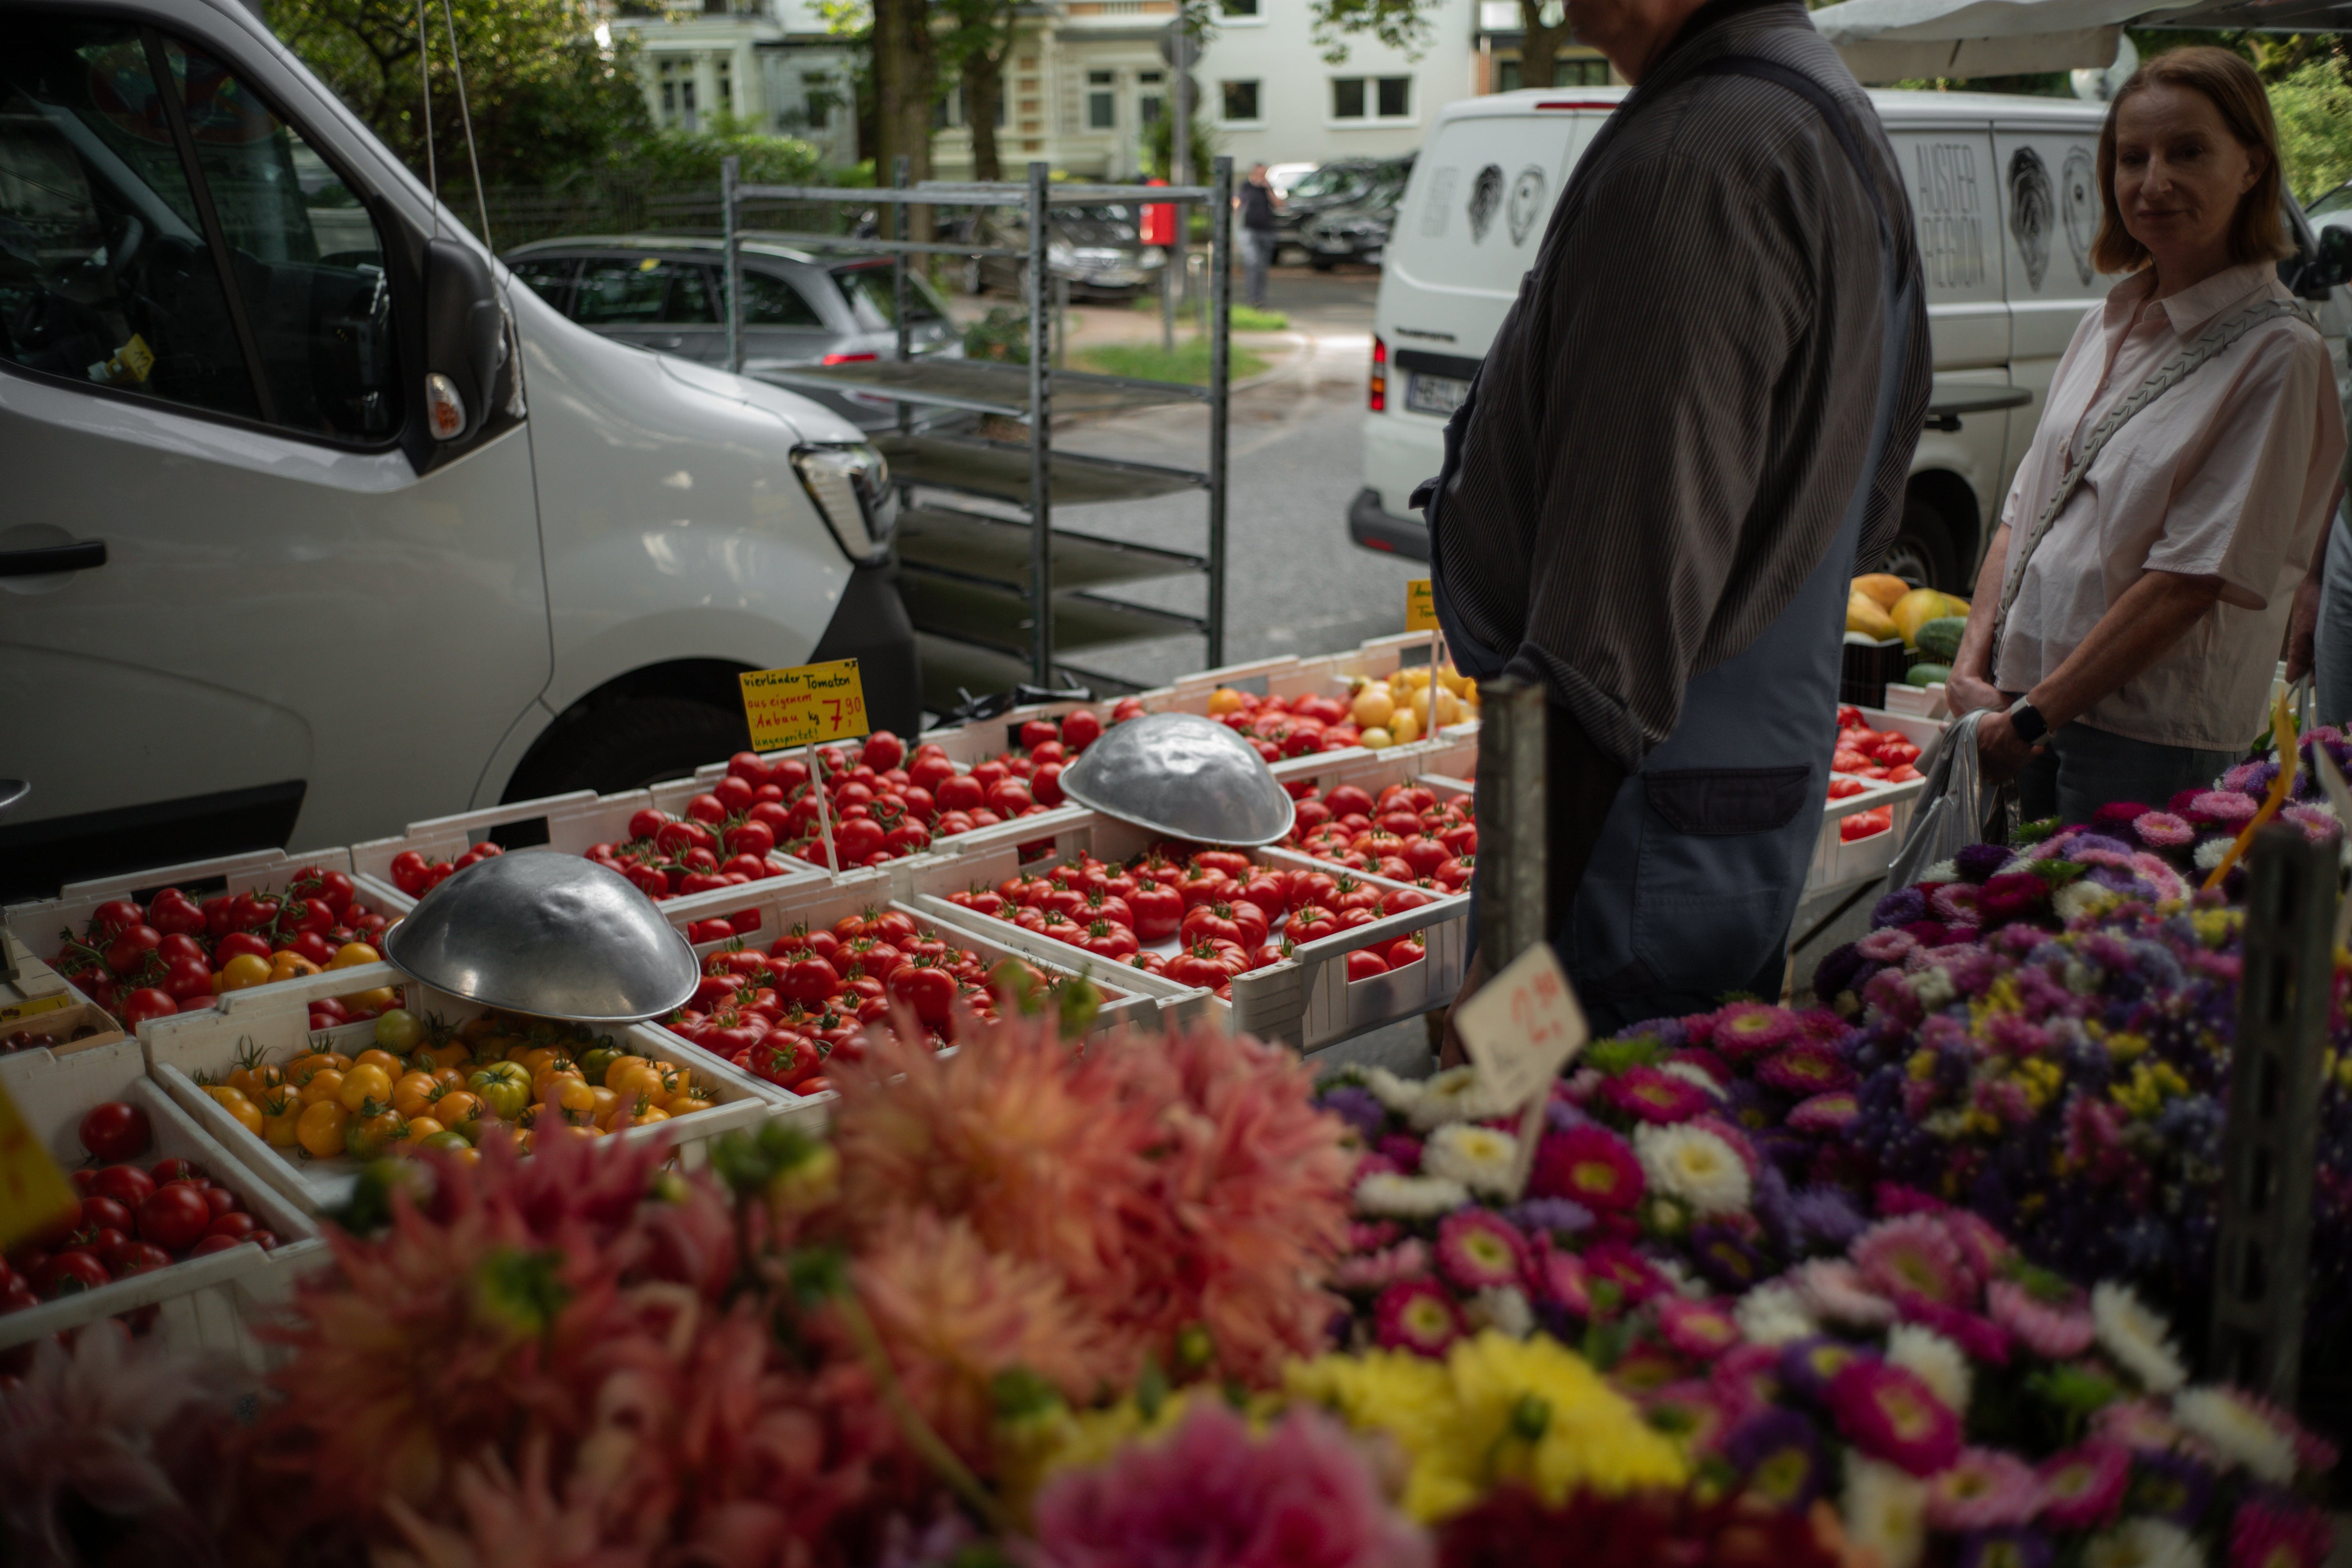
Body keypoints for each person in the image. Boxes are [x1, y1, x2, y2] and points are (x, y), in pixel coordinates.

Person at [1425, 0, 1931, 1036]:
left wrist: (1503, 950)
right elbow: (1872, 503)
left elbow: (1594, 642)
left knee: (1549, 1163)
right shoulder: (1825, 111)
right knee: (1676, 1143)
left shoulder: (1692, 161)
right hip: (1721, 809)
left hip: (1611, 844)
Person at [1943, 47, 2344, 826]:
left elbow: (2187, 581)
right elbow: (2024, 510)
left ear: (2253, 166)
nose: (2152, 181)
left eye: (2187, 152)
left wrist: (2031, 718)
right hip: (2023, 712)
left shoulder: (2278, 354)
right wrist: (1972, 673)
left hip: (2145, 740)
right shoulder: (2106, 322)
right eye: (2133, 157)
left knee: (2102, 945)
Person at [1236, 165, 1278, 310]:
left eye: (1264, 174)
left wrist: (1268, 189)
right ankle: (1253, 298)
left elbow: (1279, 204)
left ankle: (1260, 297)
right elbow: (1238, 204)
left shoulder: (1268, 188)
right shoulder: (1246, 187)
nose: (1262, 176)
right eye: (1259, 174)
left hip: (1267, 231)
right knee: (1253, 263)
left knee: (1262, 267)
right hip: (1249, 231)